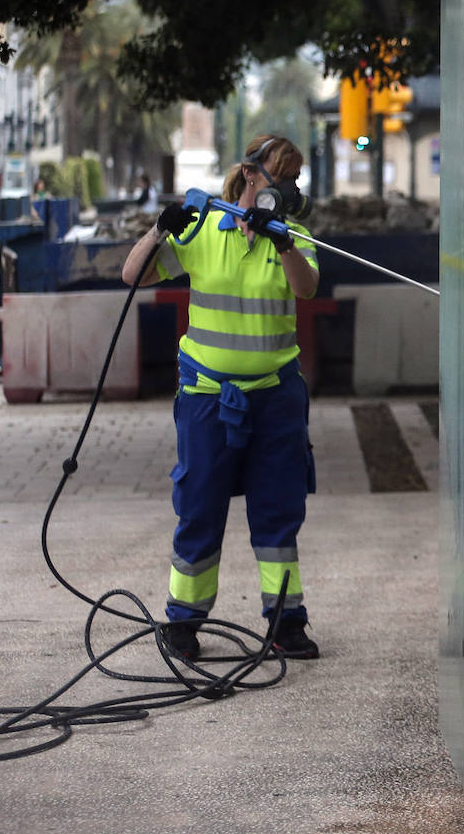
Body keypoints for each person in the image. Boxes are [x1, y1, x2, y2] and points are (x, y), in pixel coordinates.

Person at [121, 134, 322, 661]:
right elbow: (132, 274)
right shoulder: (204, 229)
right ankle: (183, 623)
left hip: (276, 397)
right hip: (207, 397)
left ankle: (286, 623)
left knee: (279, 510)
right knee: (200, 505)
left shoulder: (295, 234)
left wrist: (279, 241)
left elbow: (305, 289)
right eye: (283, 176)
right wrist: (160, 228)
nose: (291, 187)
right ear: (253, 176)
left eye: (296, 179)